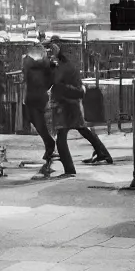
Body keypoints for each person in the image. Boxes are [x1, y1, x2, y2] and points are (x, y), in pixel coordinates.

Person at [48, 37, 113, 177]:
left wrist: (49, 69)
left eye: (52, 48)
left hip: (66, 104)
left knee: (61, 136)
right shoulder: (66, 63)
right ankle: (103, 154)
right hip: (72, 102)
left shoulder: (61, 65)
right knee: (82, 129)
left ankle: (69, 169)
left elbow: (56, 82)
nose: (50, 51)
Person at [22, 43, 57, 161]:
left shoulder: (32, 64)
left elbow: (27, 72)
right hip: (37, 95)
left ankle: (49, 144)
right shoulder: (45, 65)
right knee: (36, 120)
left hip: (35, 96)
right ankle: (49, 143)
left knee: (37, 120)